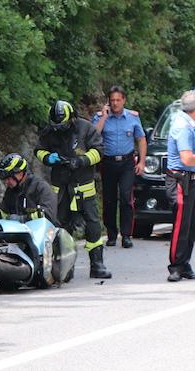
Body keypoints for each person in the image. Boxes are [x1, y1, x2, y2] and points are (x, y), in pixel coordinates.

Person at [35, 100, 112, 279]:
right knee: (60, 226)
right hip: (61, 188)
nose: (59, 128)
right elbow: (38, 150)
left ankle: (97, 265)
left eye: (62, 125)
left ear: (71, 118)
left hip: (83, 187)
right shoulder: (50, 132)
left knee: (92, 226)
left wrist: (81, 160)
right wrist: (48, 158)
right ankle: (64, 267)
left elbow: (99, 151)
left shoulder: (85, 128)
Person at [92, 86, 147, 248]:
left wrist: (142, 162)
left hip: (127, 163)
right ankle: (111, 234)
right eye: (112, 100)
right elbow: (93, 135)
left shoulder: (132, 117)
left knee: (125, 197)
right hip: (108, 163)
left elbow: (141, 140)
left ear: (124, 100)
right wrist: (103, 117)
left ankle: (127, 235)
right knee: (109, 200)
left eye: (118, 100)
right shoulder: (101, 117)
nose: (115, 103)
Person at [165, 90, 195, 282]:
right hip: (180, 180)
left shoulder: (189, 124)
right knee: (180, 225)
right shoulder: (183, 127)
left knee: (189, 224)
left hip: (189, 178)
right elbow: (187, 157)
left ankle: (184, 264)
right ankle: (175, 266)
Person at [0, 153, 58, 224]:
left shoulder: (40, 188)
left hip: (43, 233)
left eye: (9, 178)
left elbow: (48, 215)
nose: (7, 182)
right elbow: (5, 213)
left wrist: (23, 219)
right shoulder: (11, 191)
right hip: (21, 234)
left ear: (20, 173)